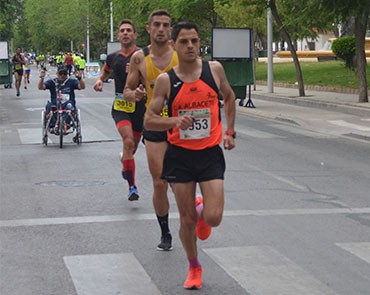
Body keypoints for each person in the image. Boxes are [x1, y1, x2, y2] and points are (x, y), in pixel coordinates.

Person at [144, 21, 236, 290]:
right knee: (185, 220)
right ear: (174, 45)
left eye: (194, 41)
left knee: (214, 217)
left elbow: (229, 98)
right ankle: (194, 266)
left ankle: (202, 209)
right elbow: (149, 120)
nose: (190, 46)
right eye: (184, 42)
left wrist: (230, 132)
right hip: (180, 157)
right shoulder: (166, 81)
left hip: (209, 154)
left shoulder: (214, 70)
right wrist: (173, 122)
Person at [124, 9, 178, 251]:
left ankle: (190, 217)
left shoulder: (181, 53)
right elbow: (127, 90)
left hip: (182, 125)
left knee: (182, 181)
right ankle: (165, 232)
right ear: (148, 29)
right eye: (156, 24)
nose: (161, 29)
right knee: (160, 182)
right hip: (155, 125)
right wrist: (134, 94)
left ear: (170, 29)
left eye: (165, 25)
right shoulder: (139, 58)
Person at [93, 19, 145, 201]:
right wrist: (100, 80)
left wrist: (139, 72)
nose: (125, 33)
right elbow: (106, 72)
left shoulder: (142, 55)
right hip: (121, 105)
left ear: (135, 35)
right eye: (122, 30)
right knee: (128, 141)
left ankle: (126, 165)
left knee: (133, 146)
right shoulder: (113, 57)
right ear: (118, 35)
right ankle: (132, 187)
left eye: (129, 30)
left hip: (140, 106)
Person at [38, 66, 85, 131]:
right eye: (60, 73)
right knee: (49, 106)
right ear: (57, 74)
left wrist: (80, 79)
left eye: (64, 74)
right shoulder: (52, 82)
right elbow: (41, 87)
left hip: (68, 104)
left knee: (69, 105)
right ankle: (54, 125)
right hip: (55, 103)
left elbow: (82, 87)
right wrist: (42, 78)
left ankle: (65, 124)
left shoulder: (71, 81)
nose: (62, 75)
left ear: (67, 74)